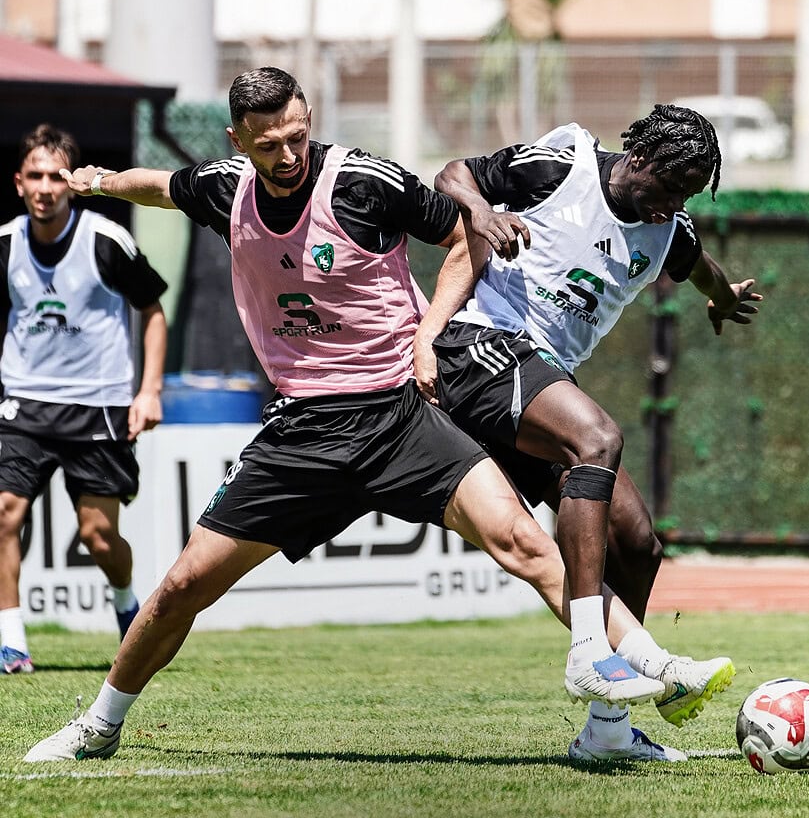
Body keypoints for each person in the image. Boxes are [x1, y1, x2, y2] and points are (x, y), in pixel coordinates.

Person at [26, 70, 720, 763]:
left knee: (527, 544)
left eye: (297, 135)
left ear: (308, 118)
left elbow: (463, 237)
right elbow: (162, 186)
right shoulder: (224, 187)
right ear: (239, 141)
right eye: (268, 145)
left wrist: (427, 337)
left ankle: (650, 664)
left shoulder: (364, 180)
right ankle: (99, 724)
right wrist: (103, 182)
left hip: (401, 415)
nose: (288, 155)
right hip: (304, 429)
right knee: (182, 585)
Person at [427, 105, 761, 762]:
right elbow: (452, 173)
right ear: (640, 158)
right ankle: (588, 649)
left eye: (688, 196)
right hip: (483, 346)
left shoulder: (668, 231)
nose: (674, 206)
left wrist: (722, 298)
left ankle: (607, 729)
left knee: (636, 542)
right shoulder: (565, 166)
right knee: (599, 438)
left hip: (541, 379)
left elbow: (701, 267)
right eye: (670, 188)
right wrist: (482, 212)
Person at [0, 124, 168, 674]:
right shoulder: (6, 244)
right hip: (23, 404)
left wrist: (149, 391)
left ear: (71, 182)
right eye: (35, 176)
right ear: (19, 183)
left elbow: (152, 312)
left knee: (99, 537)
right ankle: (11, 642)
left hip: (97, 406)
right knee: (3, 514)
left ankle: (124, 601)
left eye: (56, 177)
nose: (45, 188)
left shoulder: (106, 240)